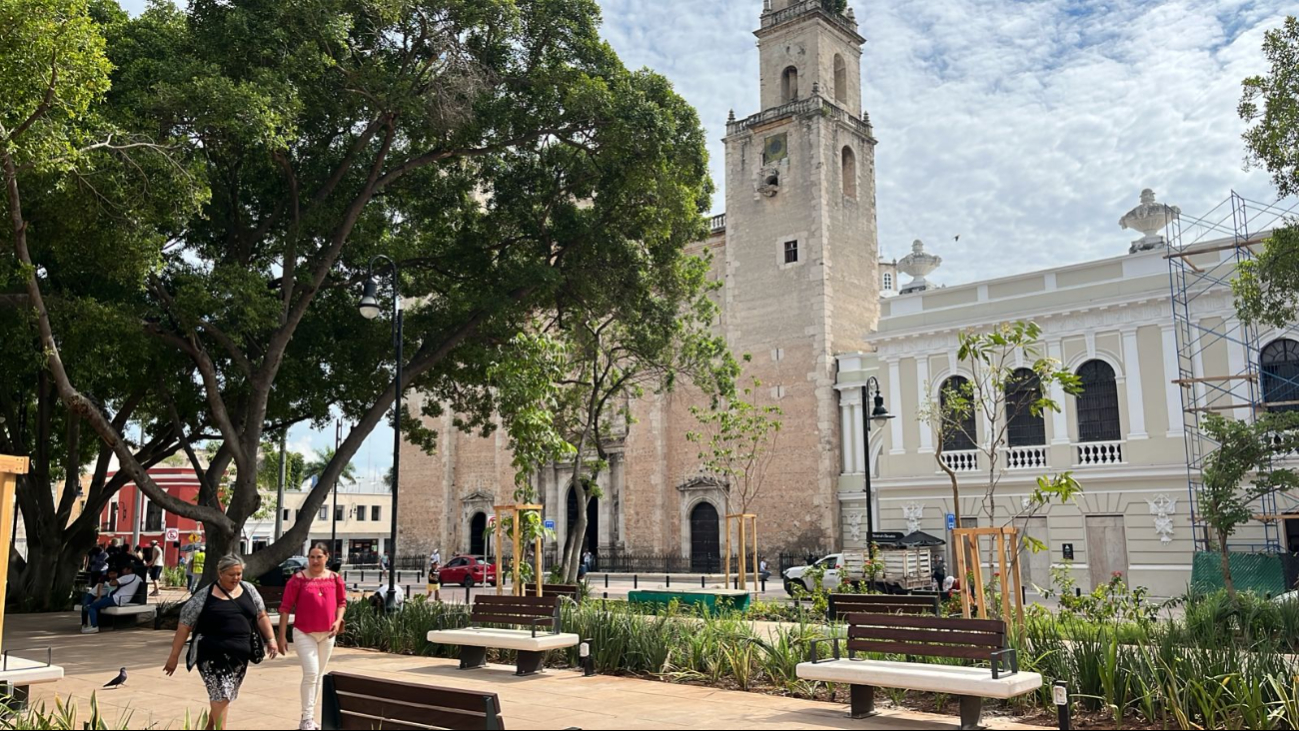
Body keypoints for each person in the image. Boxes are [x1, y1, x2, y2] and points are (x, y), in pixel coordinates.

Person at [164, 555, 278, 731]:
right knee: (221, 693)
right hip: (211, 655)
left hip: (240, 656)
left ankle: (210, 727)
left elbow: (261, 615)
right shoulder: (204, 596)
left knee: (225, 696)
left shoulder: (249, 590)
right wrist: (173, 657)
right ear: (220, 573)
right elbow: (184, 626)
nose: (236, 578)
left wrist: (271, 639)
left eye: (239, 574)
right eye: (232, 574)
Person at [278, 544, 346, 730]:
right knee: (311, 673)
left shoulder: (335, 578)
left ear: (327, 557)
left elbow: (342, 602)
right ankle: (306, 718)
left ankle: (310, 717)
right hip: (304, 632)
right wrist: (281, 636)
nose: (315, 561)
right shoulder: (297, 580)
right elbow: (285, 608)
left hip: (328, 634)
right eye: (311, 557)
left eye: (318, 557)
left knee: (319, 676)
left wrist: (338, 620)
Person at [83, 564, 143, 633]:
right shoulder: (138, 578)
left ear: (129, 569)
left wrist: (113, 578)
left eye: (124, 569)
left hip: (116, 599)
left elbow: (112, 584)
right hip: (124, 599)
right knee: (98, 604)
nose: (122, 571)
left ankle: (94, 626)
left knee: (92, 607)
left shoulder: (127, 577)